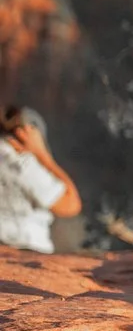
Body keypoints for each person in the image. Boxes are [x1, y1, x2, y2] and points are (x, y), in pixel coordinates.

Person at [0, 106, 83, 253]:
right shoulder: (20, 163)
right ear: (24, 132)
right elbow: (70, 204)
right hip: (24, 248)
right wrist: (42, 155)